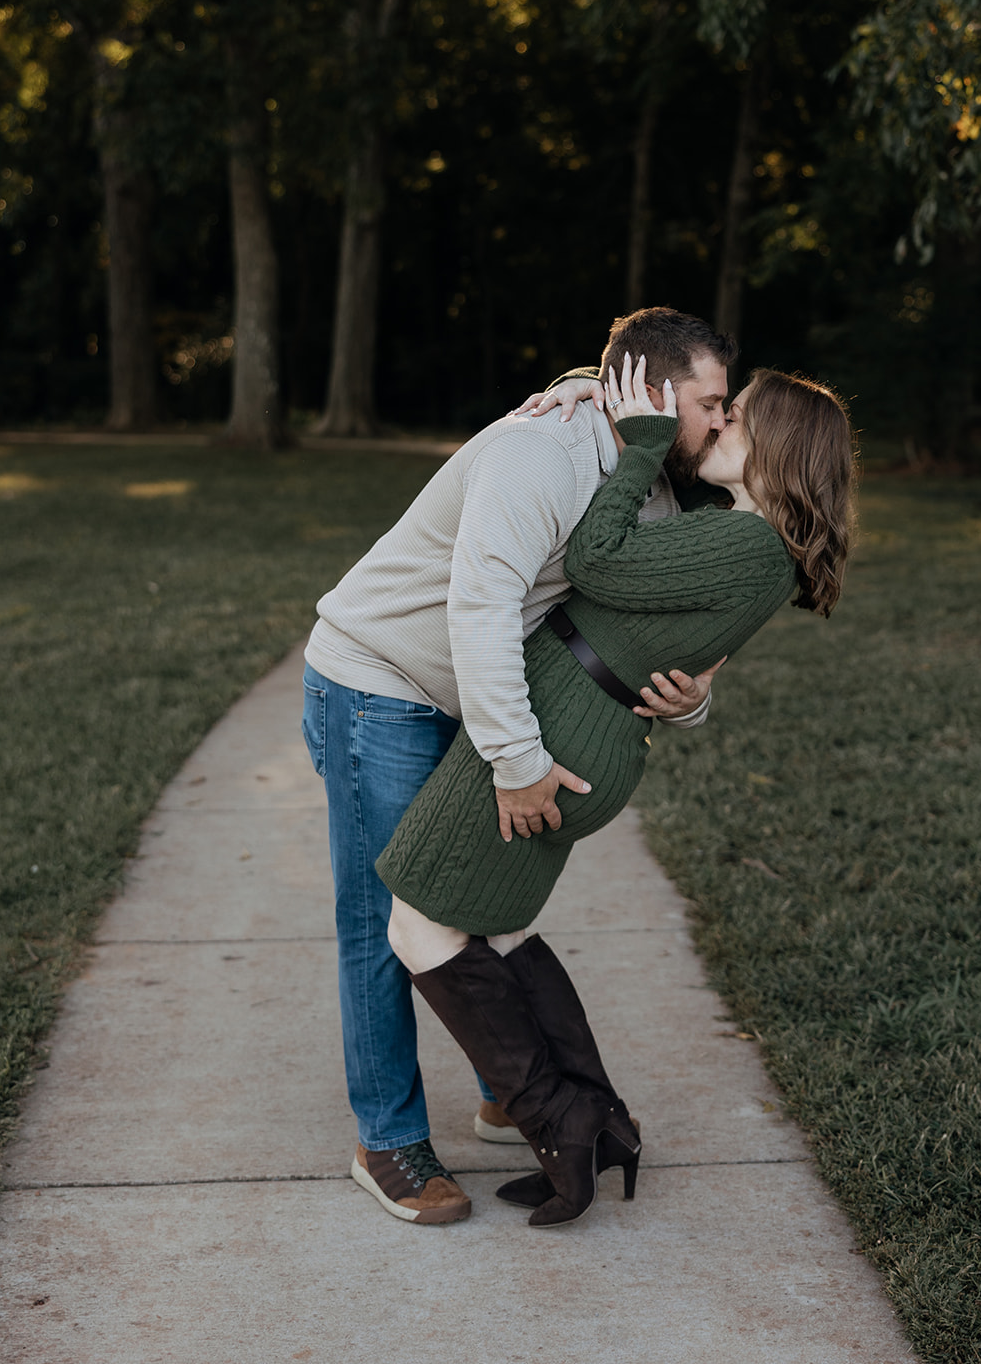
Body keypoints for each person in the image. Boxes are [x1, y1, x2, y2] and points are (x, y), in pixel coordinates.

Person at [381, 354, 856, 1228]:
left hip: (562, 734)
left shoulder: (748, 542)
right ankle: (598, 1120)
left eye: (736, 416)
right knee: (502, 926)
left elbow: (599, 562)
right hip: (587, 726)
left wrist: (638, 446)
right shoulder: (747, 537)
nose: (716, 425)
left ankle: (555, 1120)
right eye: (717, 408)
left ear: (778, 447)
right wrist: (581, 386)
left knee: (414, 924)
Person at [301, 308, 737, 1224]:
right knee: (386, 912)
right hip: (378, 678)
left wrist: (689, 698)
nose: (721, 422)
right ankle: (387, 1141)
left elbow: (656, 626)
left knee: (478, 900)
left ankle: (506, 1082)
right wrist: (516, 760)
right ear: (652, 392)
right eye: (711, 403)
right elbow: (482, 609)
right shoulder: (538, 453)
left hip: (468, 693)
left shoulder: (651, 482)